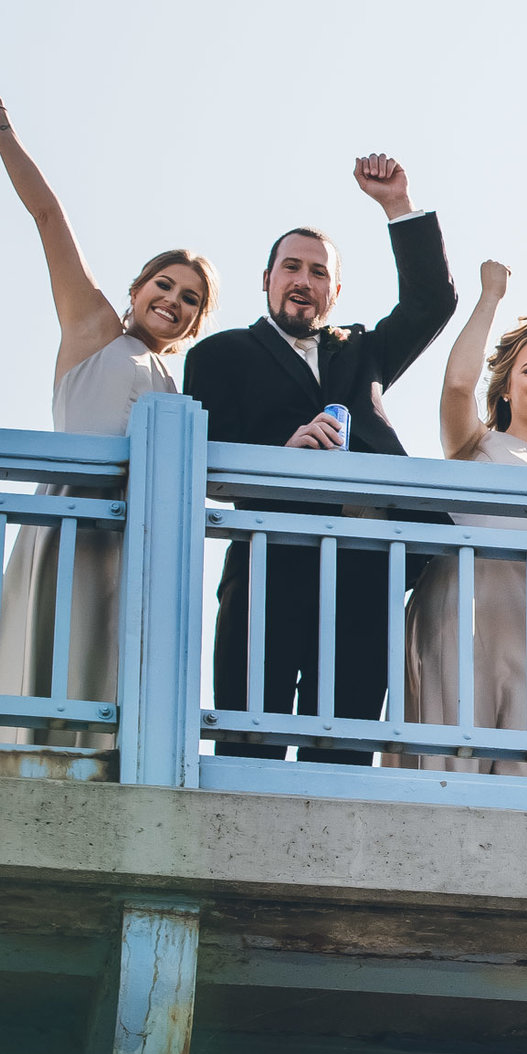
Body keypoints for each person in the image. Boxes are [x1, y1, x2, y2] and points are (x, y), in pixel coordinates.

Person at [0, 78, 220, 747]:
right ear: (137, 289)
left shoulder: (175, 389)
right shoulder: (97, 329)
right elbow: (47, 217)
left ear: (193, 322)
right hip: (69, 518)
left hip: (128, 542)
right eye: (164, 284)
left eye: (189, 299)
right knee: (39, 673)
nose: (173, 300)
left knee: (105, 694)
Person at [184, 155, 459, 764]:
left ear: (335, 291)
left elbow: (432, 301)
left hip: (364, 573)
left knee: (345, 752)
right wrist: (279, 456)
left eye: (317, 272)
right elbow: (203, 464)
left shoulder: (361, 352)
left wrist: (397, 206)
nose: (302, 281)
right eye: (291, 267)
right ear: (266, 278)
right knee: (248, 743)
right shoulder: (220, 355)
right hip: (267, 568)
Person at [397, 263, 527, 778]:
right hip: (461, 618)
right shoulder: (475, 445)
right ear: (505, 387)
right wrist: (491, 295)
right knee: (452, 770)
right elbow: (459, 385)